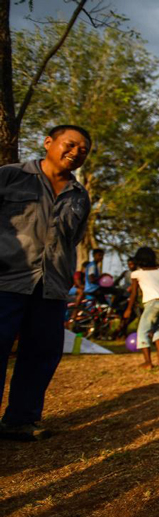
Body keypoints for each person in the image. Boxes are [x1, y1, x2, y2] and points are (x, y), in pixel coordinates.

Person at [0, 124, 92, 441]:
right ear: (48, 142)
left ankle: (21, 420)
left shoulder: (80, 196)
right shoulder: (11, 176)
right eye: (71, 144)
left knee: (41, 353)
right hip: (7, 281)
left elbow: (72, 241)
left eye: (84, 149)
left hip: (51, 287)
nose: (77, 152)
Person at [124, 247, 159, 369]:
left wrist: (128, 309)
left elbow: (133, 294)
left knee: (142, 332)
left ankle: (148, 362)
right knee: (158, 328)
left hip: (152, 303)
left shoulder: (136, 273)